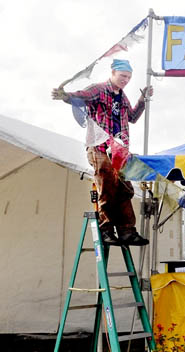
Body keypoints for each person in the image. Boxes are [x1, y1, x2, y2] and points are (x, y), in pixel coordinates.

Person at [51, 59, 151, 246]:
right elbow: (81, 96)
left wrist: (142, 100)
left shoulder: (122, 97)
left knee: (124, 187)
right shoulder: (99, 89)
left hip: (118, 150)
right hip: (99, 146)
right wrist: (65, 96)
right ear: (112, 72)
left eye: (128, 77)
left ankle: (126, 231)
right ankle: (105, 229)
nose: (125, 80)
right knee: (107, 182)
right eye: (122, 76)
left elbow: (133, 117)